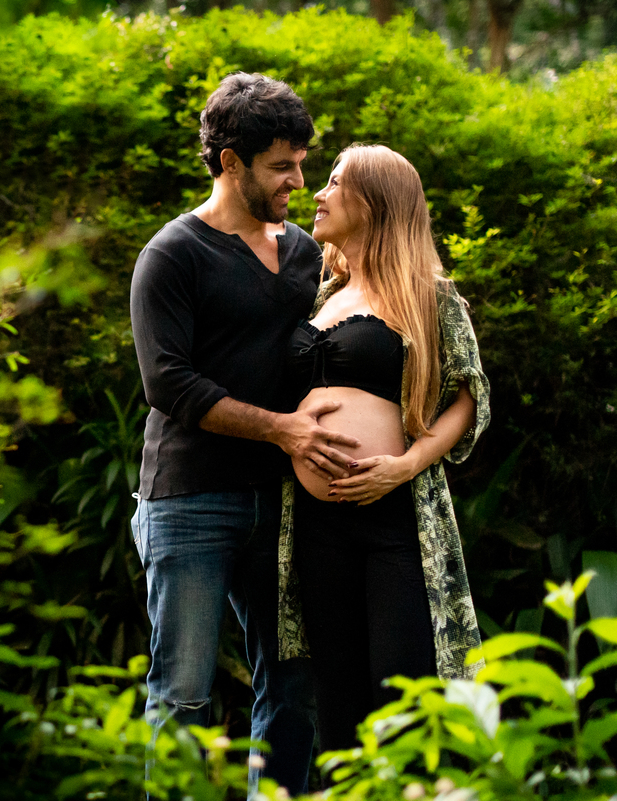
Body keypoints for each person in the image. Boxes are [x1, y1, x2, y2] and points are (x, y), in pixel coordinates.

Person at [129, 72, 362, 796]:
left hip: (286, 503)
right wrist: (284, 431)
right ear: (230, 162)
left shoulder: (303, 253)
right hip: (189, 501)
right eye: (282, 165)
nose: (300, 179)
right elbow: (168, 384)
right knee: (185, 693)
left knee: (295, 689)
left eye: (302, 163)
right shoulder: (171, 255)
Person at [277, 144, 491, 755]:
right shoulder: (321, 298)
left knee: (402, 702)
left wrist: (404, 465)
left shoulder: (426, 295)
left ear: (373, 202)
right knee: (339, 709)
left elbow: (470, 396)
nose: (317, 193)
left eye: (335, 182)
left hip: (394, 525)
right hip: (318, 528)